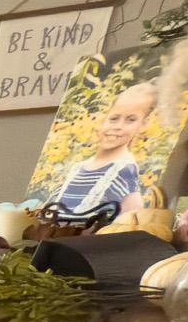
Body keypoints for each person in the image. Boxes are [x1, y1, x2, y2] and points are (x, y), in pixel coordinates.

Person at [46, 81, 158, 219]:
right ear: (105, 119)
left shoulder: (122, 170)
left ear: (143, 124)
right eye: (114, 118)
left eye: (130, 120)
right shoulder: (79, 168)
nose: (118, 126)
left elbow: (130, 213)